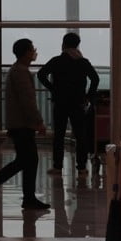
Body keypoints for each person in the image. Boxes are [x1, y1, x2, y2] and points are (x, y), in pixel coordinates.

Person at [0, 38, 51, 211]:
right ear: (26, 52)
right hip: (22, 124)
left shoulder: (18, 70)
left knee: (26, 160)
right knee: (27, 160)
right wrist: (39, 122)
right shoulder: (20, 72)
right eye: (32, 49)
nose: (35, 51)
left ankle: (27, 197)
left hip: (19, 123)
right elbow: (27, 100)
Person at [36, 32, 100, 176]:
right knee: (80, 135)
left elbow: (41, 74)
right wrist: (88, 97)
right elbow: (95, 79)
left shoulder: (57, 61)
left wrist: (53, 89)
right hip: (78, 103)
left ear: (63, 44)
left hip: (60, 102)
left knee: (59, 135)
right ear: (77, 45)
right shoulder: (83, 62)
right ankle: (82, 167)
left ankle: (58, 167)